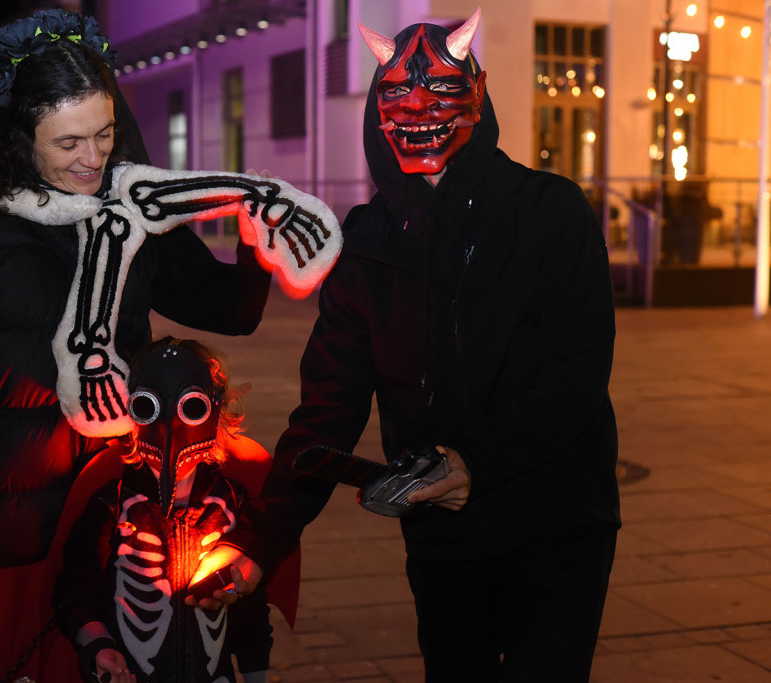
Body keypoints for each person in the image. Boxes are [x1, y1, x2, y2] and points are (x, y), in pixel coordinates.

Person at [0, 9, 337, 682]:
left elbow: (234, 312)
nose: (93, 157)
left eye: (104, 134)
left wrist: (255, 239)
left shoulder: (134, 220)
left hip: (102, 505)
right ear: (21, 138)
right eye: (68, 141)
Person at [202, 10, 621, 683]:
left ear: (476, 95)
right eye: (397, 93)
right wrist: (259, 541)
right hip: (444, 539)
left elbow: (576, 375)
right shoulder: (367, 243)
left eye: (439, 92)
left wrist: (472, 460)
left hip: (557, 521)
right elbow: (326, 410)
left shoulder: (552, 213)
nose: (417, 107)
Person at [54, 337, 281, 683]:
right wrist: (97, 645)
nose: (171, 430)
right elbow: (75, 591)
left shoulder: (232, 503)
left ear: (215, 412)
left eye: (192, 408)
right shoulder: (110, 504)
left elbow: (249, 604)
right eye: (147, 408)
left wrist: (229, 593)